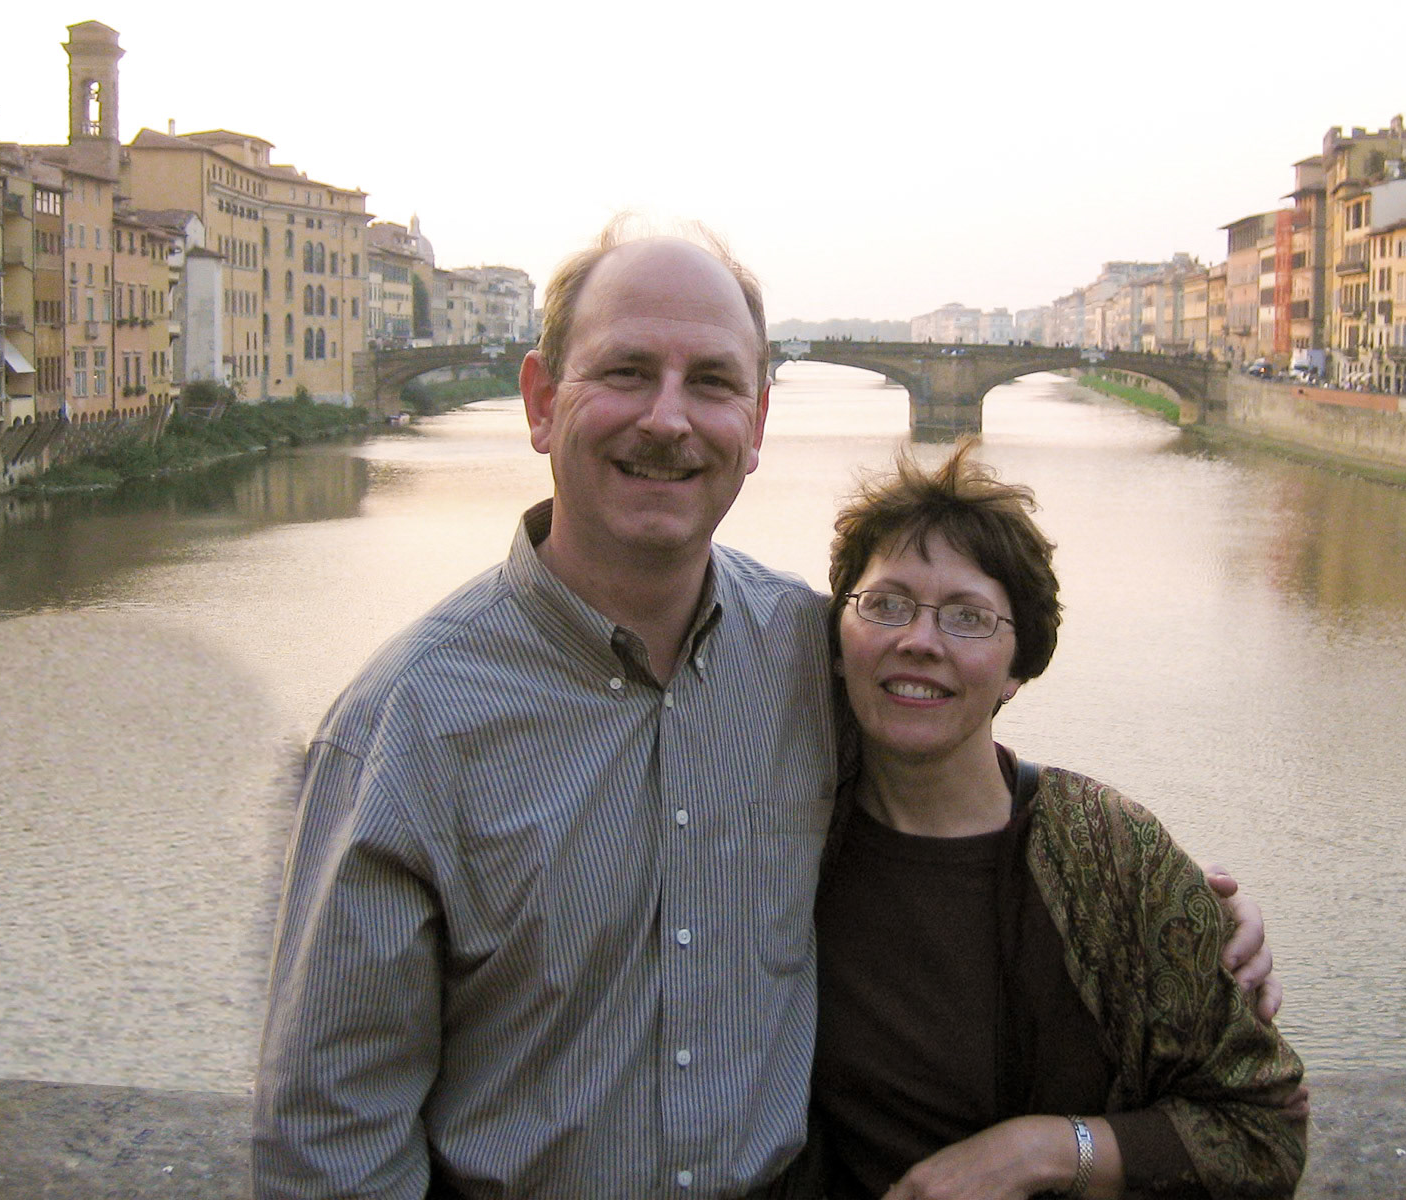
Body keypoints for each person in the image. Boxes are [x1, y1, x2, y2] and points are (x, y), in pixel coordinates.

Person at [252, 221, 1281, 1199]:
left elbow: (947, 759)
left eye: (710, 383)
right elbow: (332, 1137)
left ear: (755, 427)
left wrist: (1168, 912)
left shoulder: (812, 652)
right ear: (538, 400)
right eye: (623, 371)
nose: (667, 418)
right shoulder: (403, 725)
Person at [812, 446, 1307, 1200]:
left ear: (1018, 666)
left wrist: (1045, 1151)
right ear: (839, 642)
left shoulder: (1112, 857)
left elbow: (1261, 1134)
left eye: (969, 618)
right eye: (886, 604)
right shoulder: (774, 827)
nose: (919, 639)